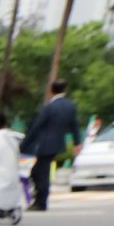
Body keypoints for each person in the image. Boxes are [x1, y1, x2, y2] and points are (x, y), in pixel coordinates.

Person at [19, 78, 82, 211]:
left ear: (51, 91)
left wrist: (24, 144)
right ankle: (40, 199)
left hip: (44, 145)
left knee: (40, 173)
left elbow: (36, 126)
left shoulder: (49, 107)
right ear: (64, 90)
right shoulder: (70, 106)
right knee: (40, 171)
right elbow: (74, 126)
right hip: (58, 144)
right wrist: (77, 142)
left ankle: (41, 202)